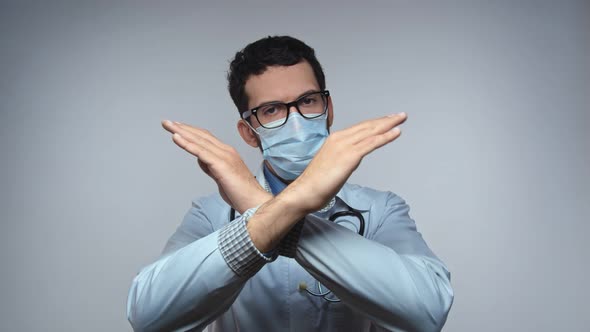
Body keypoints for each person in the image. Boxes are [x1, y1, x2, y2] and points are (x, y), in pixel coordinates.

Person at [126, 35, 454, 332]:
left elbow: (426, 313)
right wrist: (292, 207)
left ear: (328, 110)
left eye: (308, 100)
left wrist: (263, 212)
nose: (295, 120)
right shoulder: (210, 214)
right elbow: (149, 317)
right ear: (248, 132)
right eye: (271, 110)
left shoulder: (381, 210)